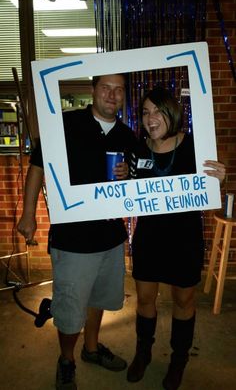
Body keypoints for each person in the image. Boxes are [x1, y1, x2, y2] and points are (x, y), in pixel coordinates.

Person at [17, 73, 138, 390]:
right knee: (71, 309)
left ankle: (91, 349)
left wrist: (128, 177)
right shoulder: (65, 125)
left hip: (111, 238)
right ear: (92, 90)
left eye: (119, 90)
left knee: (98, 299)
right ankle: (66, 359)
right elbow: (37, 167)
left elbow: (140, 184)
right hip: (72, 241)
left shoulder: (128, 135)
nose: (112, 95)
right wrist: (28, 214)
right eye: (106, 88)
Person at [126, 86, 226, 390]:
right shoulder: (138, 149)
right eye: (145, 112)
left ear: (173, 113)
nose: (150, 118)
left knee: (184, 299)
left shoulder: (196, 147)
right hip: (148, 238)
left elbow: (211, 193)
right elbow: (129, 193)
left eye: (157, 110)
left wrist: (220, 179)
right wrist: (121, 180)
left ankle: (179, 359)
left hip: (184, 238)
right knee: (144, 299)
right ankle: (143, 352)